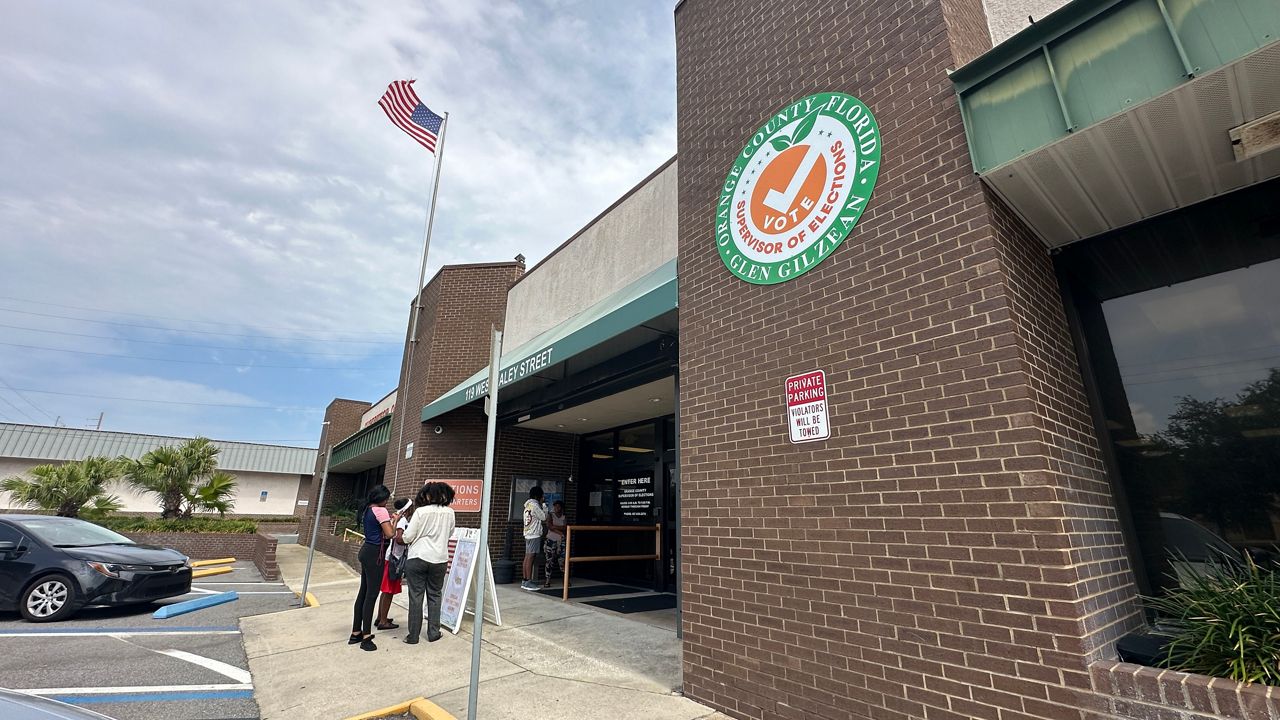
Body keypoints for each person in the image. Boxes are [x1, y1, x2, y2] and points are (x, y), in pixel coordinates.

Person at [401, 481, 456, 644]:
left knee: (416, 596)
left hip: (418, 557)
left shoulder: (420, 512)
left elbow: (407, 537)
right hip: (439, 558)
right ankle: (433, 632)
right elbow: (450, 532)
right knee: (435, 595)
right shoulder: (450, 512)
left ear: (427, 495)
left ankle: (413, 636)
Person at [350, 484, 393, 651]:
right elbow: (389, 534)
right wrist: (394, 521)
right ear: (382, 498)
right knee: (372, 595)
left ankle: (356, 632)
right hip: (376, 554)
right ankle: (366, 637)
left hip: (366, 550)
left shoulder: (367, 509)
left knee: (363, 593)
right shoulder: (381, 511)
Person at [375, 498, 413, 630]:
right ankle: (383, 621)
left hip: (389, 558)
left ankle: (380, 617)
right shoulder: (402, 521)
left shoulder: (398, 519)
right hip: (394, 560)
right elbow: (398, 538)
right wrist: (410, 540)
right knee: (389, 591)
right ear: (407, 508)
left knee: (385, 591)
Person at [521, 486, 547, 591]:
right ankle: (528, 581)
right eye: (542, 496)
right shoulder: (535, 506)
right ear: (538, 496)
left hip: (527, 533)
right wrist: (544, 506)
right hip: (534, 534)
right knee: (531, 557)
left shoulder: (527, 506)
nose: (543, 497)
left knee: (527, 557)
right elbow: (544, 517)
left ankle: (524, 580)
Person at [542, 500, 567, 588]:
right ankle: (547, 580)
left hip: (561, 542)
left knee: (563, 561)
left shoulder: (563, 517)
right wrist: (560, 532)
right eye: (555, 506)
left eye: (559, 507)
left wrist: (555, 527)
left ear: (561, 508)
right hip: (550, 540)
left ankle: (565, 580)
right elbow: (549, 526)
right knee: (549, 561)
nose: (557, 508)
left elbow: (565, 527)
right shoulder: (550, 515)